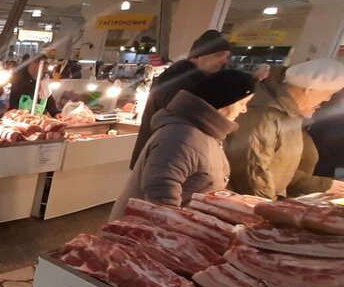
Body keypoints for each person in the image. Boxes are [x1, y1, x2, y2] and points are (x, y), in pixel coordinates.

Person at [111, 70, 256, 220]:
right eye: (243, 103)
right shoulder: (180, 137)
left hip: (179, 225)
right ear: (226, 100)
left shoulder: (203, 132)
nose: (244, 110)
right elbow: (161, 197)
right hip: (145, 228)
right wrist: (177, 228)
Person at [225, 58, 344, 198]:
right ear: (310, 89)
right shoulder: (265, 113)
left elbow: (281, 167)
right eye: (329, 93)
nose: (328, 99)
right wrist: (266, 206)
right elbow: (252, 170)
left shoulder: (289, 114)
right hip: (244, 202)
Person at [129, 30, 232, 168]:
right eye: (218, 55)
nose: (224, 61)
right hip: (164, 160)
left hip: (167, 158)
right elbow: (182, 130)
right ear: (198, 56)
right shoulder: (180, 84)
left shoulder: (189, 80)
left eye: (227, 56)